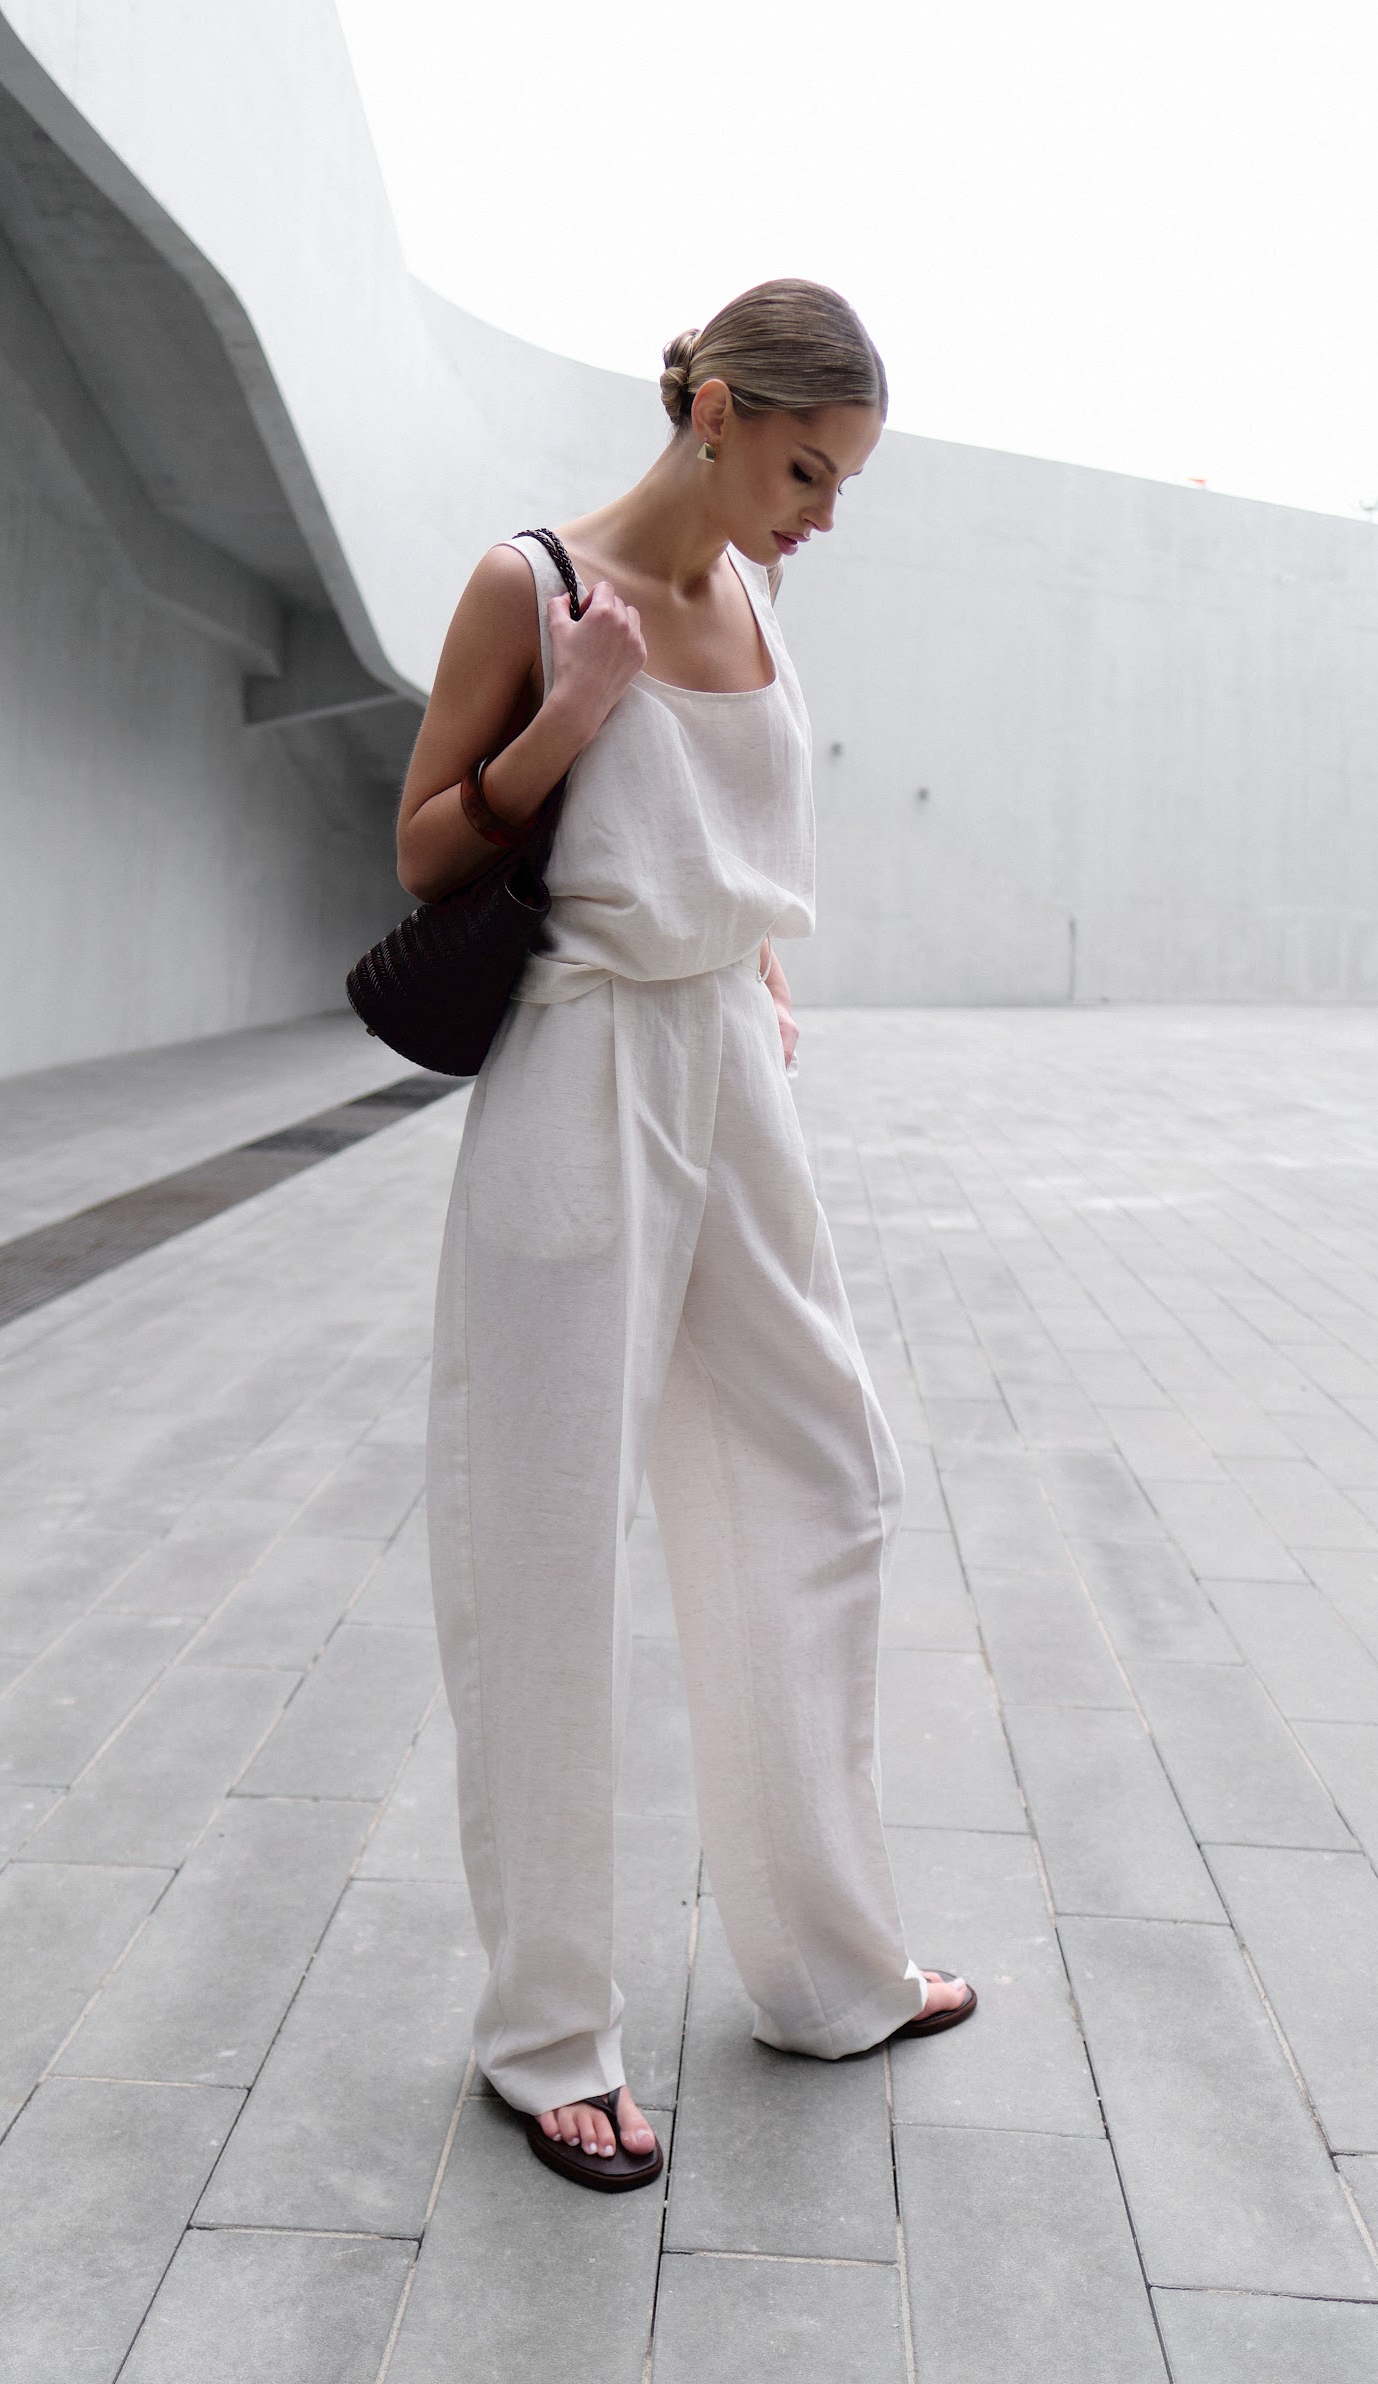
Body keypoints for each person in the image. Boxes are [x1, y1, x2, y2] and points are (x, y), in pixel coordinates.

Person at [396, 279, 975, 2193]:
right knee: (544, 1536)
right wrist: (568, 715)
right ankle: (547, 2035)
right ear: (715, 410)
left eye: (844, 482)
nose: (823, 512)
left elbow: (718, 830)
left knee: (825, 1472)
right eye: (808, 469)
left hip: (728, 1055)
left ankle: (822, 1967)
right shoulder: (533, 584)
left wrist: (749, 952)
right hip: (579, 1071)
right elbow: (424, 847)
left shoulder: (754, 593)